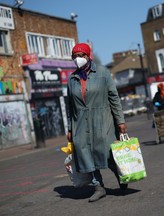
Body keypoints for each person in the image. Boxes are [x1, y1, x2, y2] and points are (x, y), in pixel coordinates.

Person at [67, 43, 128, 203]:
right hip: (80, 123)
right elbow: (70, 106)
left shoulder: (102, 73)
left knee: (107, 153)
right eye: (74, 56)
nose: (77, 59)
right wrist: (69, 128)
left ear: (88, 56)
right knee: (85, 153)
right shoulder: (72, 79)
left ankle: (121, 175)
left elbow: (114, 97)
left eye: (80, 56)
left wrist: (120, 120)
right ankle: (98, 187)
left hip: (102, 120)